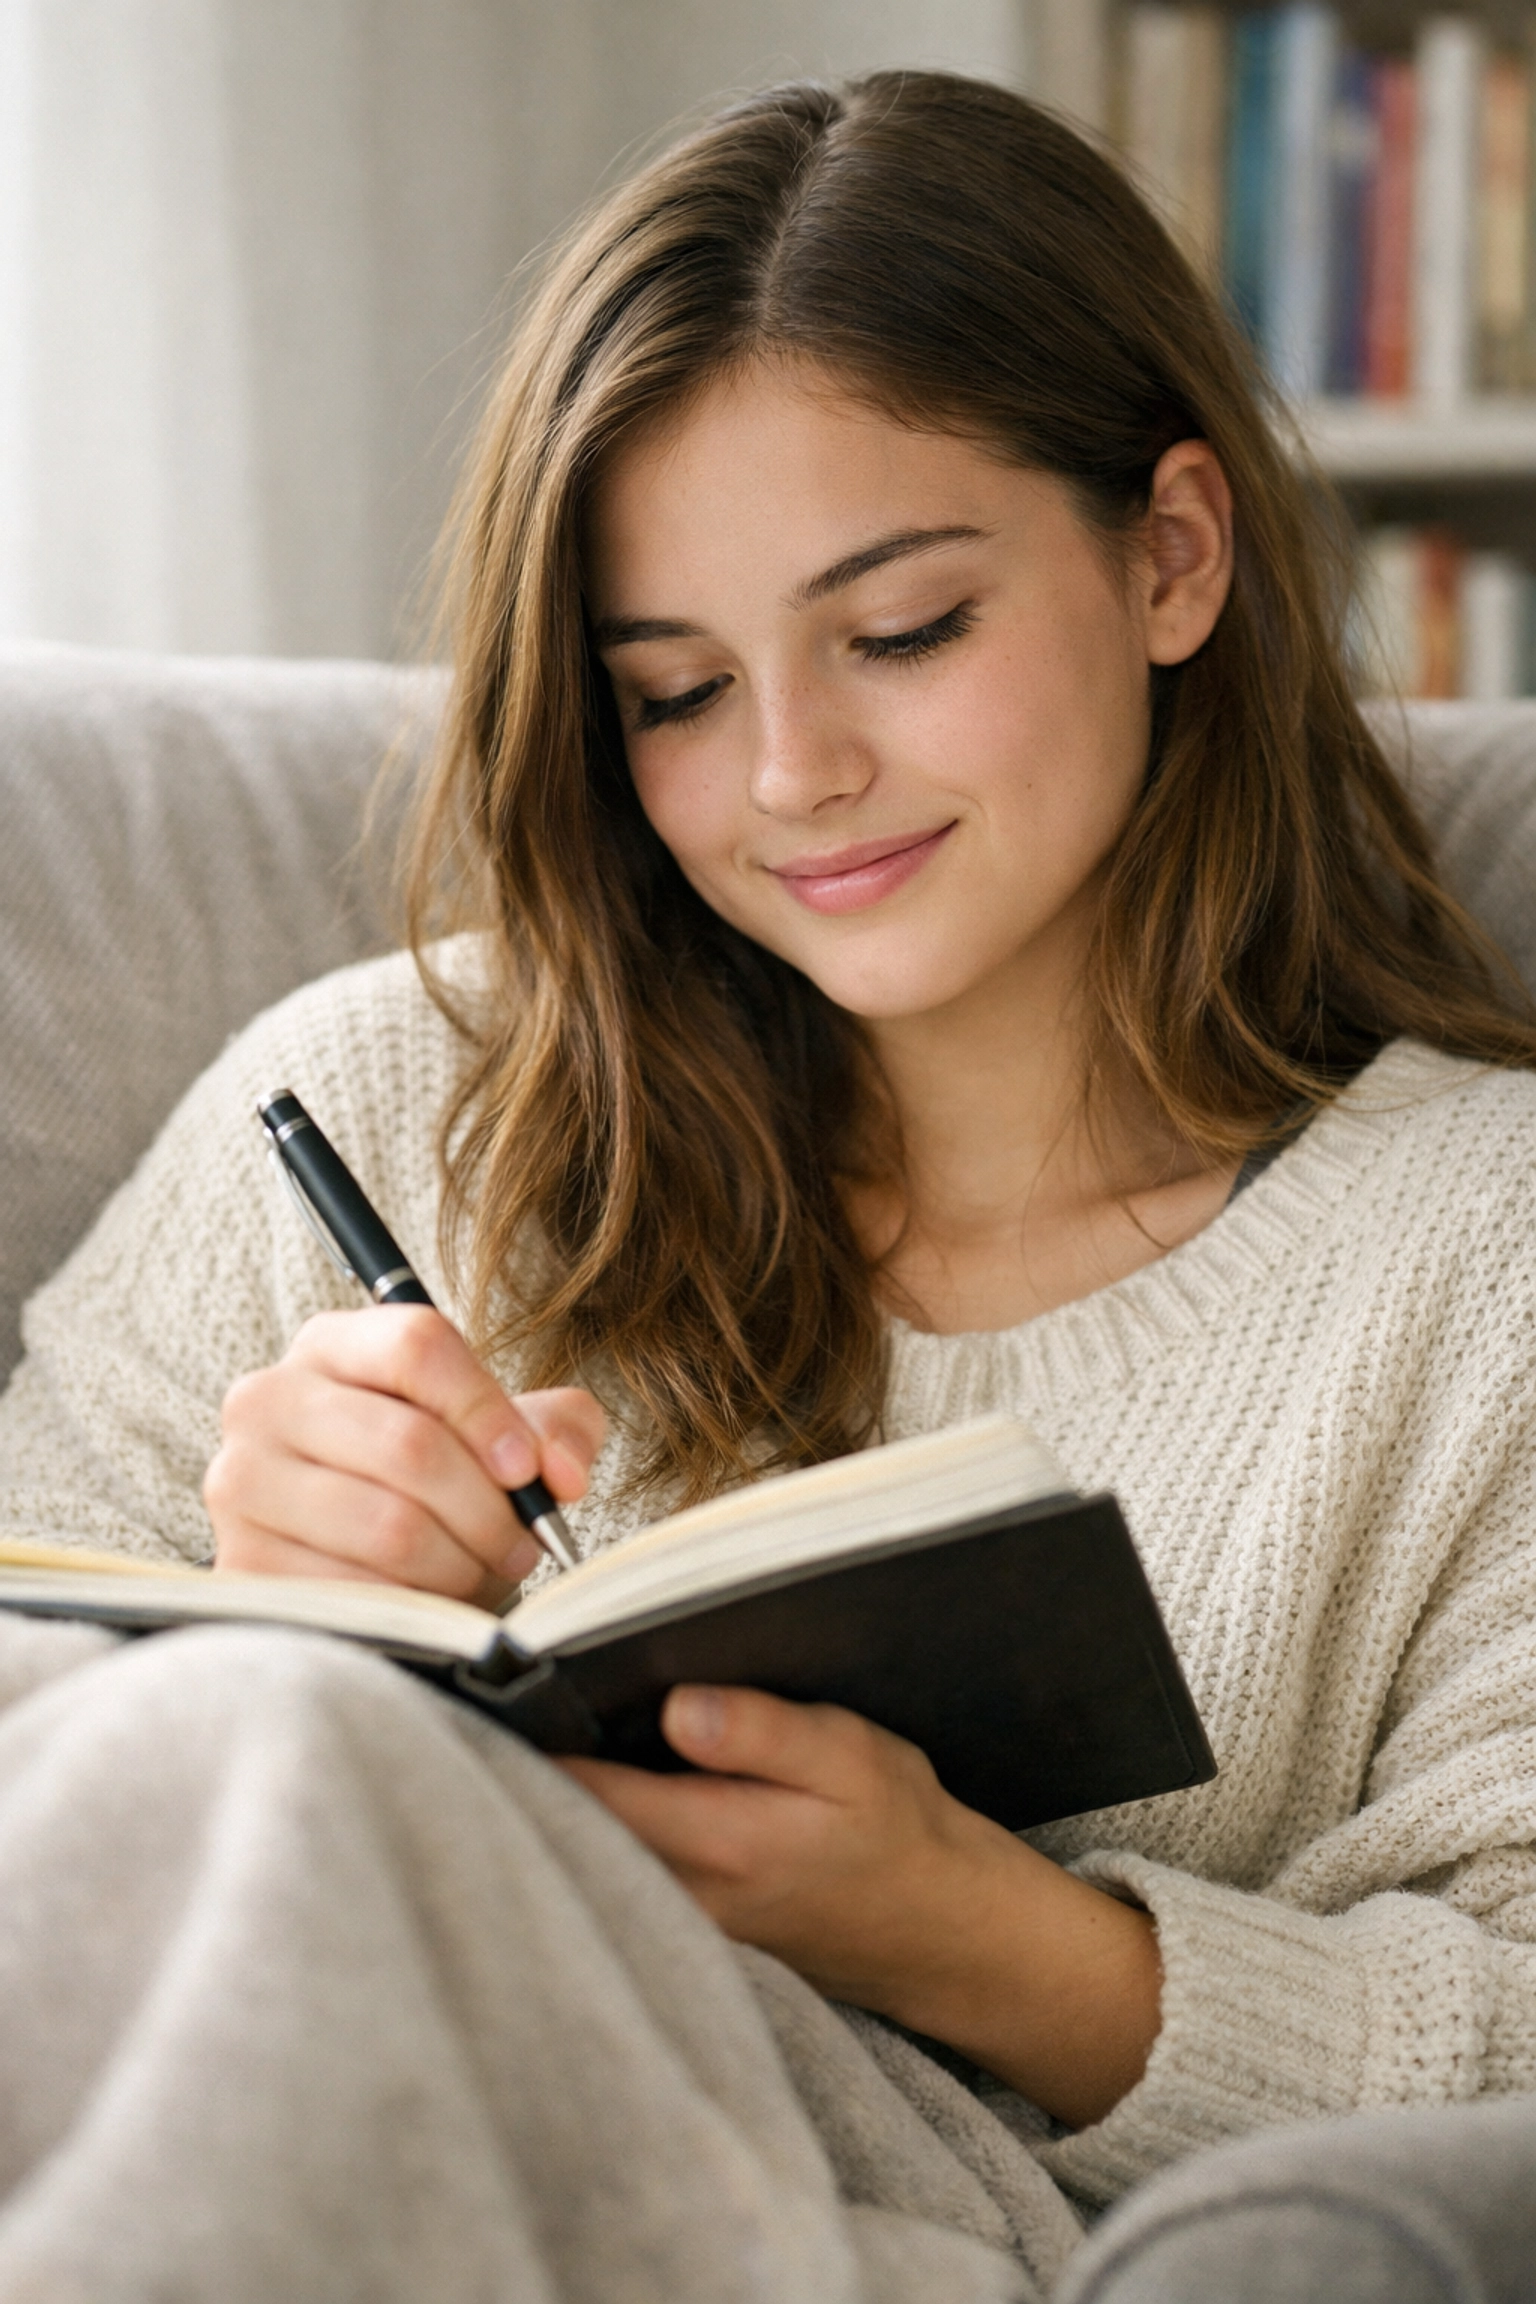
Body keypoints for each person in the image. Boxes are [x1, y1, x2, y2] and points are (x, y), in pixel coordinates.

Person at [3, 67, 1536, 2304]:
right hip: (319, 2131)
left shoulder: (1487, 1251)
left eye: (902, 631)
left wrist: (979, 1933)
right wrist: (247, 1612)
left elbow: (1514, 2033)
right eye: (676, 692)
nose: (794, 775)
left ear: (1173, 555)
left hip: (858, 2219)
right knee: (266, 1733)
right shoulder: (382, 1092)